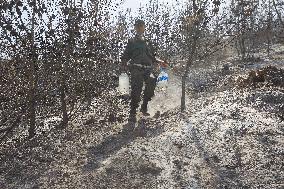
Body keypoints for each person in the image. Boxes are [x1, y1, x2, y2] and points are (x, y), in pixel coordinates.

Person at [120, 19, 166, 124]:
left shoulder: (147, 42)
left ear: (144, 27)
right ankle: (132, 113)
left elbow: (153, 56)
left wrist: (161, 61)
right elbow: (125, 55)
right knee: (137, 89)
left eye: (141, 26)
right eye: (138, 26)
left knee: (152, 82)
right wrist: (124, 63)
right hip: (136, 68)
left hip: (147, 68)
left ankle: (144, 107)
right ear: (135, 28)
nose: (140, 28)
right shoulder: (131, 41)